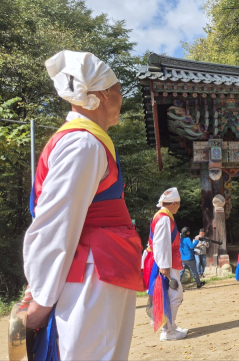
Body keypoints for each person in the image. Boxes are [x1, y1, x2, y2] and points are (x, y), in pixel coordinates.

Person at [23, 50, 144, 360]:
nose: (121, 97)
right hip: (91, 270)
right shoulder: (83, 143)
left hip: (98, 266)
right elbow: (56, 221)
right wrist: (41, 295)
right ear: (104, 93)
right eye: (119, 89)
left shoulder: (89, 140)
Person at [142, 187, 189, 341]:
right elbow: (161, 243)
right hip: (166, 262)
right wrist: (164, 266)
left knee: (169, 294)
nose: (179, 207)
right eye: (178, 204)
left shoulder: (163, 216)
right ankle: (168, 330)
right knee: (174, 295)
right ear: (173, 203)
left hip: (167, 260)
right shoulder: (164, 218)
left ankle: (170, 326)